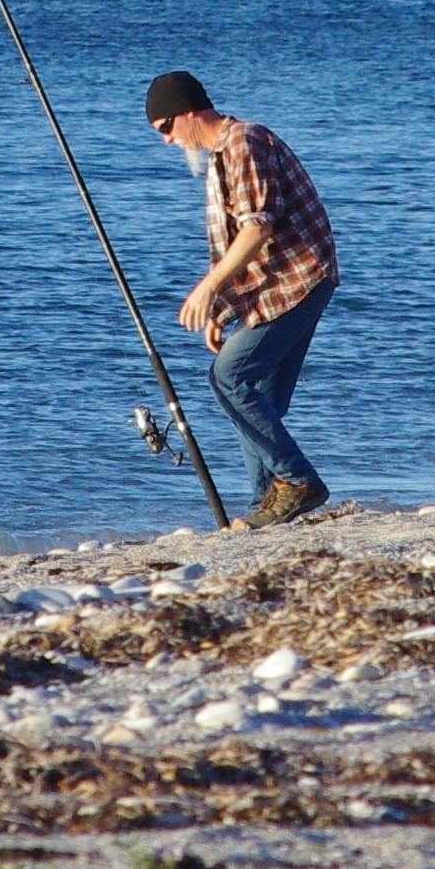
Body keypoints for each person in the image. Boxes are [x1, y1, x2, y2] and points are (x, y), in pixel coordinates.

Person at [146, 69, 338, 527]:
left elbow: (257, 228)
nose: (167, 142)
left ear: (190, 114)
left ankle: (298, 480)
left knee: (227, 377)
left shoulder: (243, 143)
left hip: (298, 279)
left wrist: (208, 289)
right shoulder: (221, 157)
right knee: (259, 398)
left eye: (166, 129)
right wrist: (223, 307)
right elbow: (244, 247)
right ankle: (266, 506)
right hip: (280, 285)